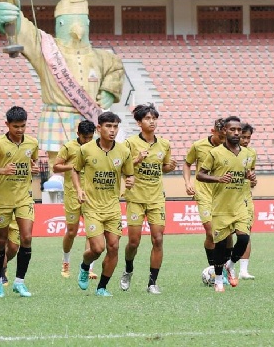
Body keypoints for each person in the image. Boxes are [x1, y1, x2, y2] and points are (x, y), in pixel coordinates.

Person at [0, 0, 124, 167]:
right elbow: (27, 33)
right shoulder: (47, 48)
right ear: (60, 23)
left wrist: (108, 91)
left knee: (93, 163)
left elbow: (115, 68)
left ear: (88, 23)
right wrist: (15, 18)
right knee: (58, 167)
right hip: (57, 117)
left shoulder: (102, 57)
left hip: (90, 117)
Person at [73, 112, 134, 297]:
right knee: (98, 248)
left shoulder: (123, 151)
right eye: (108, 126)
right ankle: (84, 266)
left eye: (115, 126)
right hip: (92, 206)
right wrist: (78, 190)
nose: (112, 130)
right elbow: (75, 170)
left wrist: (130, 181)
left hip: (113, 206)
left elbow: (129, 174)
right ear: (99, 128)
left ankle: (102, 287)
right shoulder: (86, 150)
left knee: (114, 247)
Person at [119, 104, 176, 295]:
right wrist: (135, 160)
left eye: (154, 118)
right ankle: (128, 270)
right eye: (147, 118)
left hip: (156, 198)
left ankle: (152, 282)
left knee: (158, 239)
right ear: (139, 122)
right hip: (135, 197)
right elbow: (118, 167)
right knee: (133, 242)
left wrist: (170, 167)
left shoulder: (164, 145)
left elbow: (164, 168)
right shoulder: (129, 144)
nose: (152, 121)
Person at [0, 106, 39, 298]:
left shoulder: (32, 143)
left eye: (23, 126)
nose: (20, 130)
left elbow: (32, 161)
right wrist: (2, 171)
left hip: (24, 198)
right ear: (7, 125)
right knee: (1, 242)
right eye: (16, 126)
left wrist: (34, 168)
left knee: (26, 238)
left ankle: (19, 282)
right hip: (2, 200)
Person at [197, 116, 256, 293]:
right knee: (221, 246)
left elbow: (250, 177)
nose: (236, 133)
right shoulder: (215, 153)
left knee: (244, 238)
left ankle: (230, 265)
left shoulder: (249, 154)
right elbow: (200, 175)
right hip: (222, 205)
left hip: (241, 204)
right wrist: (218, 179)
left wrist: (252, 178)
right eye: (233, 130)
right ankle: (218, 281)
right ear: (225, 131)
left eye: (239, 130)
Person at [52, 120, 97, 279]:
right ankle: (65, 262)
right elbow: (55, 167)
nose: (88, 141)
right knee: (71, 232)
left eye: (91, 137)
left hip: (91, 194)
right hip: (72, 194)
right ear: (78, 134)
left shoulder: (96, 147)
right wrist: (72, 166)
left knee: (93, 231)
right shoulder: (68, 147)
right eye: (85, 137)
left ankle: (89, 267)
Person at [183, 119, 225, 268]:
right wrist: (188, 183)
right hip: (203, 192)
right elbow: (187, 164)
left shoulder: (229, 148)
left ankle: (222, 267)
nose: (223, 140)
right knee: (211, 231)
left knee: (223, 234)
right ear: (213, 131)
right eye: (220, 136)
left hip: (222, 194)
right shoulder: (198, 146)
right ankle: (214, 267)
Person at [238, 123, 258, 280]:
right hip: (228, 198)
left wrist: (253, 180)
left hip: (246, 198)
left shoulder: (252, 153)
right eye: (243, 137)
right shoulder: (227, 152)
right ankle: (224, 266)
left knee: (246, 232)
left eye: (248, 138)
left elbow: (251, 173)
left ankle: (243, 270)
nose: (245, 140)